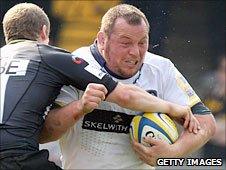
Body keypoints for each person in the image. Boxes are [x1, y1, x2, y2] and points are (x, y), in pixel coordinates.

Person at [0, 3, 197, 170]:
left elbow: (205, 124)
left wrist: (172, 153)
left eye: (142, 43)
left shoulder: (161, 67)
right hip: (16, 153)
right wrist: (173, 108)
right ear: (44, 32)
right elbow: (125, 96)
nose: (135, 52)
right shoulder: (52, 57)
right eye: (125, 42)